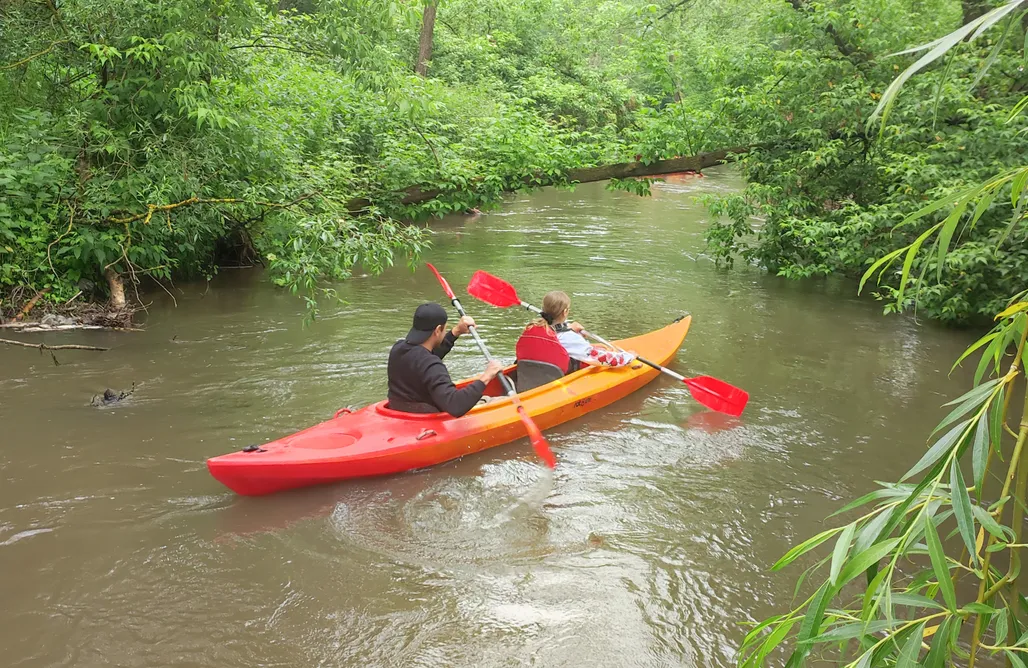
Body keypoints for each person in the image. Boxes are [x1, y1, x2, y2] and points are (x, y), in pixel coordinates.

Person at [388, 302, 503, 417]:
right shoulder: (433, 365)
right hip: (427, 419)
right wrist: (486, 376)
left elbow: (424, 360)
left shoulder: (398, 348)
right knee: (501, 401)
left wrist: (456, 331)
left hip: (400, 410)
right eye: (444, 329)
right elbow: (455, 405)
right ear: (438, 330)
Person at [515, 291, 635, 372]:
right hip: (556, 382)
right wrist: (628, 356)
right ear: (565, 312)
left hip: (531, 375)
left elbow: (555, 331)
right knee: (600, 352)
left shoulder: (533, 327)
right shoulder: (568, 338)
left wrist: (569, 327)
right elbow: (600, 359)